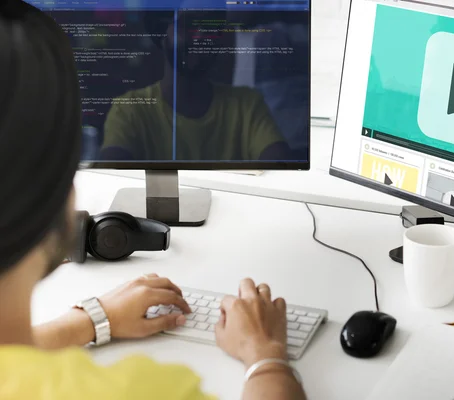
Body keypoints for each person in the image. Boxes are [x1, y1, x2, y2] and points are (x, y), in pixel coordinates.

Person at [0, 1, 305, 399]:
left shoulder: (244, 104)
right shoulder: (143, 389)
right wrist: (266, 356)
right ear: (60, 200)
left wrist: (93, 318)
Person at [100, 8, 292, 162]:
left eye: (209, 26)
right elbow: (112, 173)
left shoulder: (247, 105)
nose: (200, 36)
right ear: (161, 32)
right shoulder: (129, 109)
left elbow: (279, 165)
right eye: (188, 24)